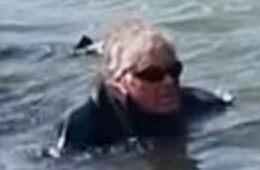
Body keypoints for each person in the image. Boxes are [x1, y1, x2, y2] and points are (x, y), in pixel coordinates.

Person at [59, 19, 231, 152]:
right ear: (120, 83)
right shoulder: (83, 128)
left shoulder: (202, 105)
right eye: (152, 75)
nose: (169, 81)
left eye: (174, 70)